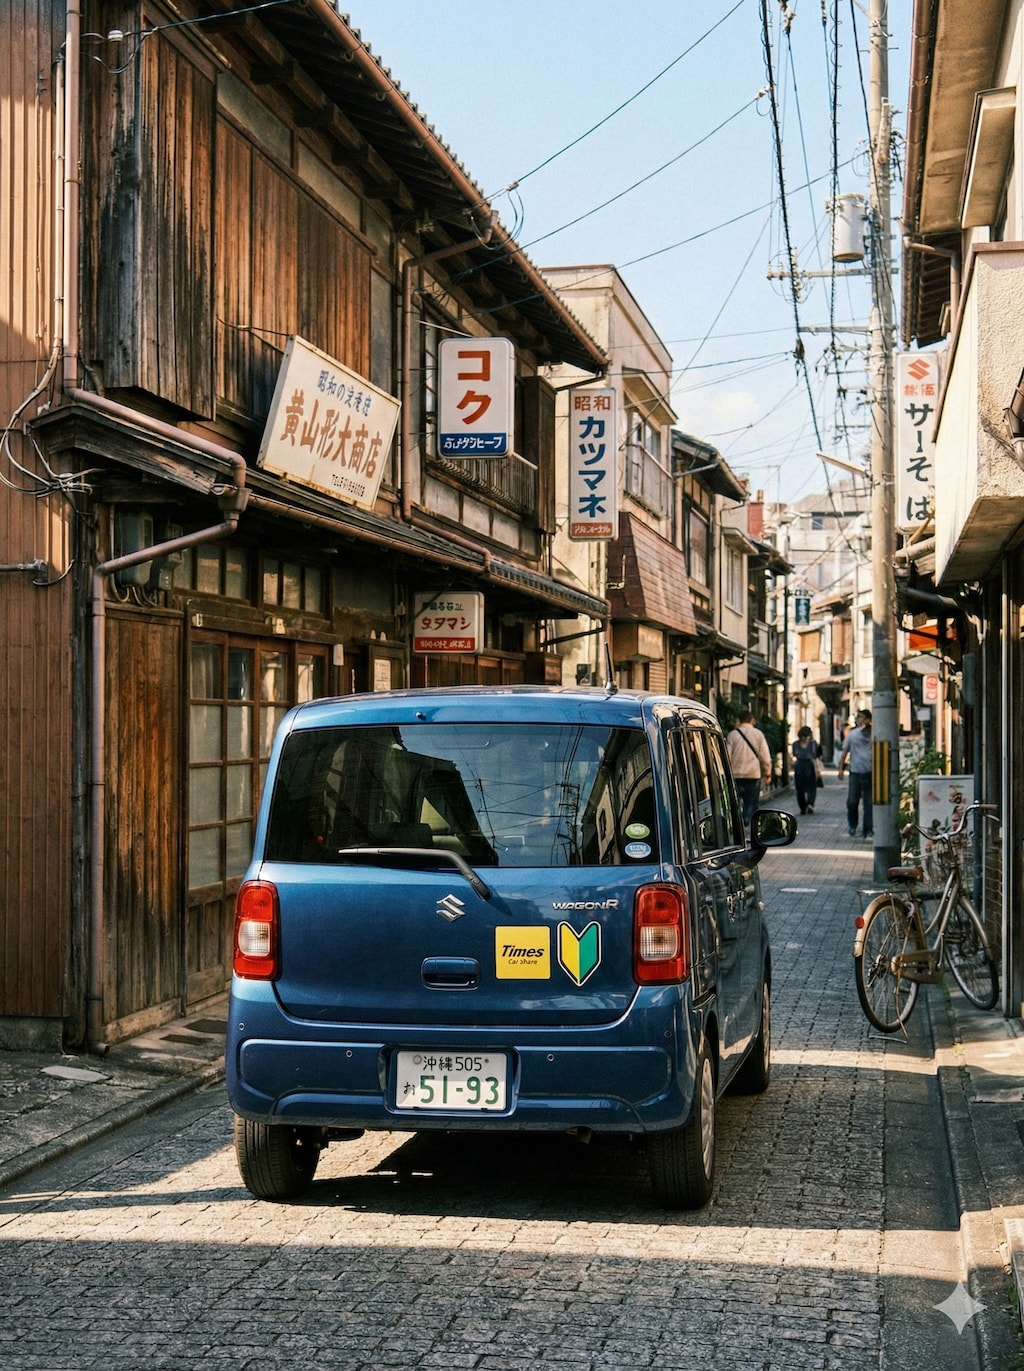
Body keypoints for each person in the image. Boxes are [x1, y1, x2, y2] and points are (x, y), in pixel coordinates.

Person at [727, 708, 773, 825]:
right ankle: (747, 822)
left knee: (734, 803)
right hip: (752, 775)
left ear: (739, 720)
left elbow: (727, 756)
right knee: (751, 803)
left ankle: (736, 825)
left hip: (735, 775)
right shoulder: (758, 734)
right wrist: (768, 773)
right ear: (752, 721)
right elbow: (765, 758)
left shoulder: (732, 735)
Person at [837, 708, 873, 838]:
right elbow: (845, 752)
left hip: (870, 772)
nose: (858, 720)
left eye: (861, 717)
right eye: (857, 717)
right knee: (852, 801)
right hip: (855, 772)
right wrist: (841, 768)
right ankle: (852, 825)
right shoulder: (852, 734)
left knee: (869, 803)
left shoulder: (874, 733)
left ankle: (868, 828)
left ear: (868, 720)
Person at [791, 726, 820, 816]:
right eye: (805, 736)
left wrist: (817, 769)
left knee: (809, 787)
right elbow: (794, 755)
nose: (806, 738)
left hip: (806, 765)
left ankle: (808, 805)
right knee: (802, 788)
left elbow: (815, 756)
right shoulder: (798, 744)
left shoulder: (811, 744)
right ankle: (804, 806)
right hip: (802, 766)